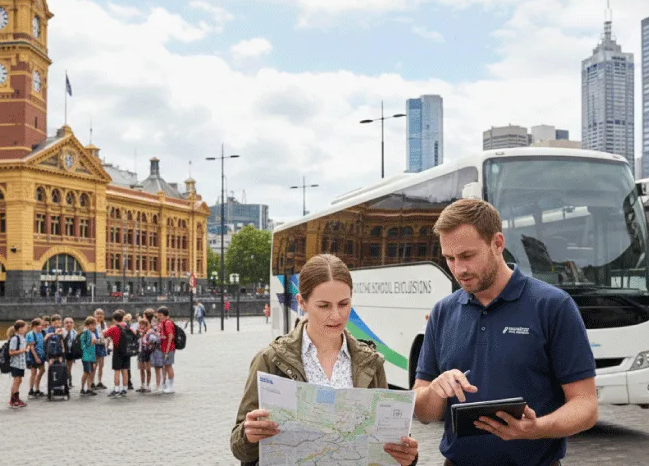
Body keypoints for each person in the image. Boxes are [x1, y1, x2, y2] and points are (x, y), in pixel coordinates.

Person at [413, 199, 598, 466]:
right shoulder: (443, 311)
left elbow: (586, 406)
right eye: (449, 258)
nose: (458, 269)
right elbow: (423, 412)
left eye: (467, 256)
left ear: (497, 244)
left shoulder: (552, 306)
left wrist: (536, 428)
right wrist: (435, 391)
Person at [230, 254, 418, 465]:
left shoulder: (371, 362)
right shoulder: (270, 359)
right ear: (302, 302)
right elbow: (239, 446)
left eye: (344, 304)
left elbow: (388, 442)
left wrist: (407, 456)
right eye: (324, 306)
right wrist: (249, 435)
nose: (336, 315)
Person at [103, 310, 131, 397]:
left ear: (114, 319)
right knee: (125, 370)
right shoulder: (127, 326)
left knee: (117, 371)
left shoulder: (114, 327)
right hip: (127, 351)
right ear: (122, 318)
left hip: (117, 351)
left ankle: (116, 389)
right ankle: (125, 389)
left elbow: (105, 334)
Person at [7, 320, 30, 408]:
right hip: (15, 364)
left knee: (19, 381)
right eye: (25, 328)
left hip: (21, 364)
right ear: (20, 329)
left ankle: (16, 399)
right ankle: (13, 400)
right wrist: (23, 350)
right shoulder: (15, 338)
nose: (26, 329)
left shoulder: (22, 338)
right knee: (16, 381)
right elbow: (11, 352)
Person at [156, 306, 177, 394]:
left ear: (165, 315)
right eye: (158, 315)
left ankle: (171, 386)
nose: (159, 317)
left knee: (169, 366)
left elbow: (170, 336)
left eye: (160, 315)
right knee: (165, 366)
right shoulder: (161, 323)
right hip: (163, 348)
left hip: (168, 348)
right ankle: (166, 384)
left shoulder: (168, 323)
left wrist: (167, 350)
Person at [25, 318, 46, 398]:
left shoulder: (41, 333)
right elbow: (32, 348)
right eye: (40, 325)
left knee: (42, 370)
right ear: (34, 326)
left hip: (41, 355)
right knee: (33, 372)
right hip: (33, 356)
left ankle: (37, 389)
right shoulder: (30, 334)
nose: (42, 326)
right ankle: (31, 390)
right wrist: (36, 357)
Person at [136, 317, 156, 393]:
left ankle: (148, 385)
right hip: (140, 352)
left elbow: (153, 341)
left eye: (143, 324)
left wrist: (145, 338)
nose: (141, 326)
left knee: (148, 369)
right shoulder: (139, 332)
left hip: (147, 352)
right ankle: (142, 385)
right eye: (140, 324)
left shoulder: (149, 332)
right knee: (141, 369)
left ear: (146, 325)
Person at [80, 316, 98, 396]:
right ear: (88, 325)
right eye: (93, 324)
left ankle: (89, 388)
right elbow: (83, 346)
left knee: (91, 372)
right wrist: (91, 343)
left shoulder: (93, 333)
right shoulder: (85, 333)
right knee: (86, 372)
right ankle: (82, 388)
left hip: (92, 356)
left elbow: (93, 346)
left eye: (95, 324)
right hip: (86, 356)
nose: (94, 326)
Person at [93, 308, 108, 390]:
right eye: (98, 313)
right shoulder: (93, 324)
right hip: (95, 345)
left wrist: (107, 339)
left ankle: (99, 381)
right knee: (94, 365)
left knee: (101, 365)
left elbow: (106, 334)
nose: (100, 315)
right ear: (94, 315)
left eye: (101, 314)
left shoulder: (104, 324)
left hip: (102, 345)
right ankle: (92, 382)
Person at [62, 317, 78, 388]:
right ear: (64, 324)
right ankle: (64, 382)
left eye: (71, 322)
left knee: (69, 368)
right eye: (67, 322)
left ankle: (69, 382)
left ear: (73, 324)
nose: (69, 324)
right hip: (62, 352)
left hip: (70, 352)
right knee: (64, 367)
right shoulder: (61, 331)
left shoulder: (74, 332)